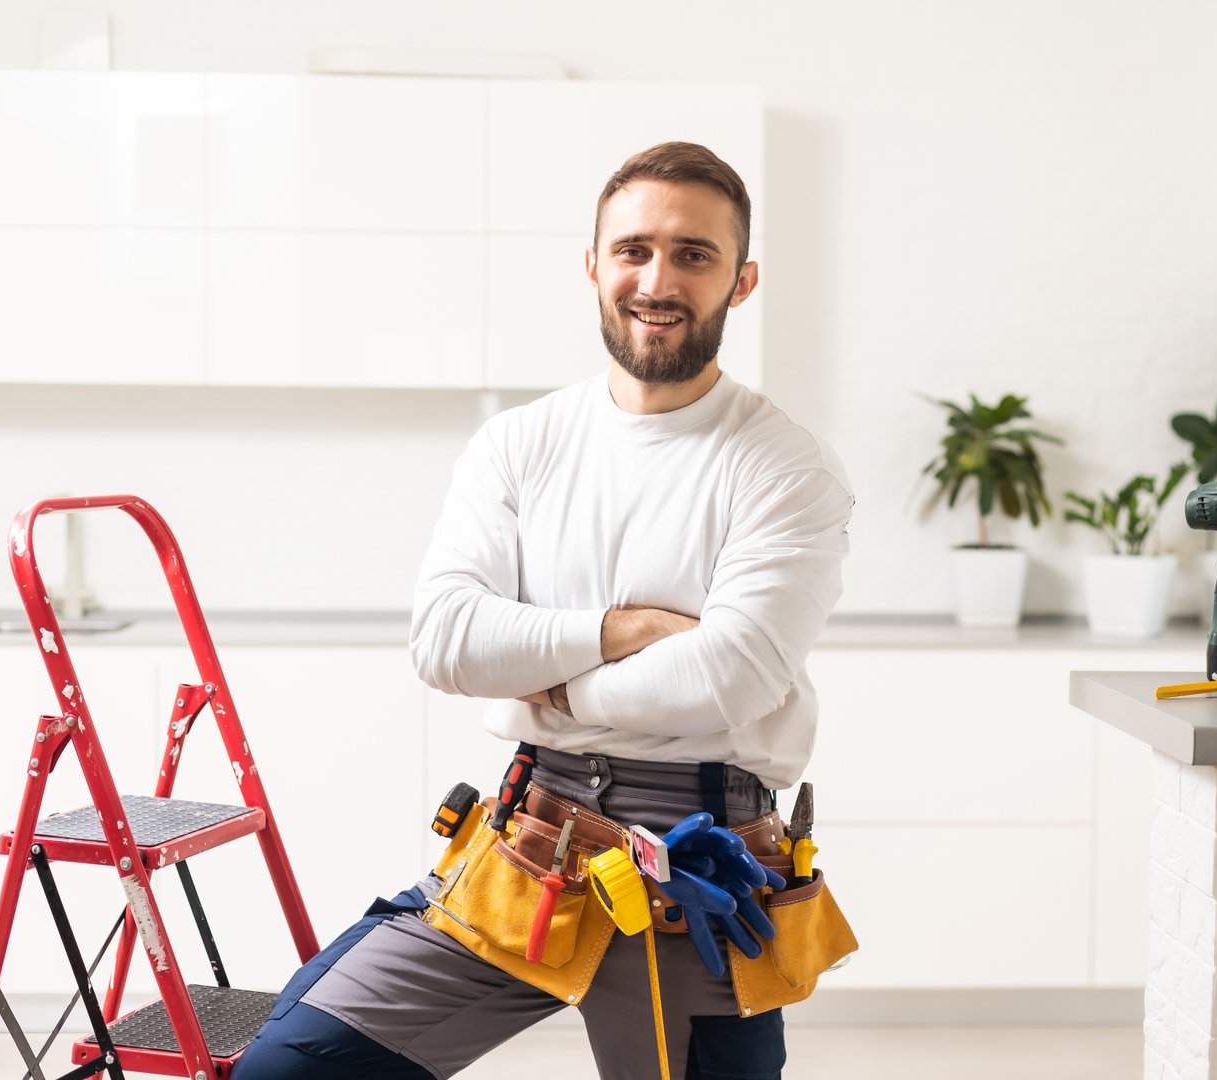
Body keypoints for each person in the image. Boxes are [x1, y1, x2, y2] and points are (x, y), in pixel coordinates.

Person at [234, 141, 854, 1080]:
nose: (658, 278)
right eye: (634, 249)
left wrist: (541, 686)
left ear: (742, 280)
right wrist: (621, 632)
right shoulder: (519, 445)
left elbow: (733, 675)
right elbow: (444, 639)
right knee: (292, 1067)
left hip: (699, 859)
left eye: (695, 255)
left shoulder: (782, 465)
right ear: (594, 266)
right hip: (532, 837)